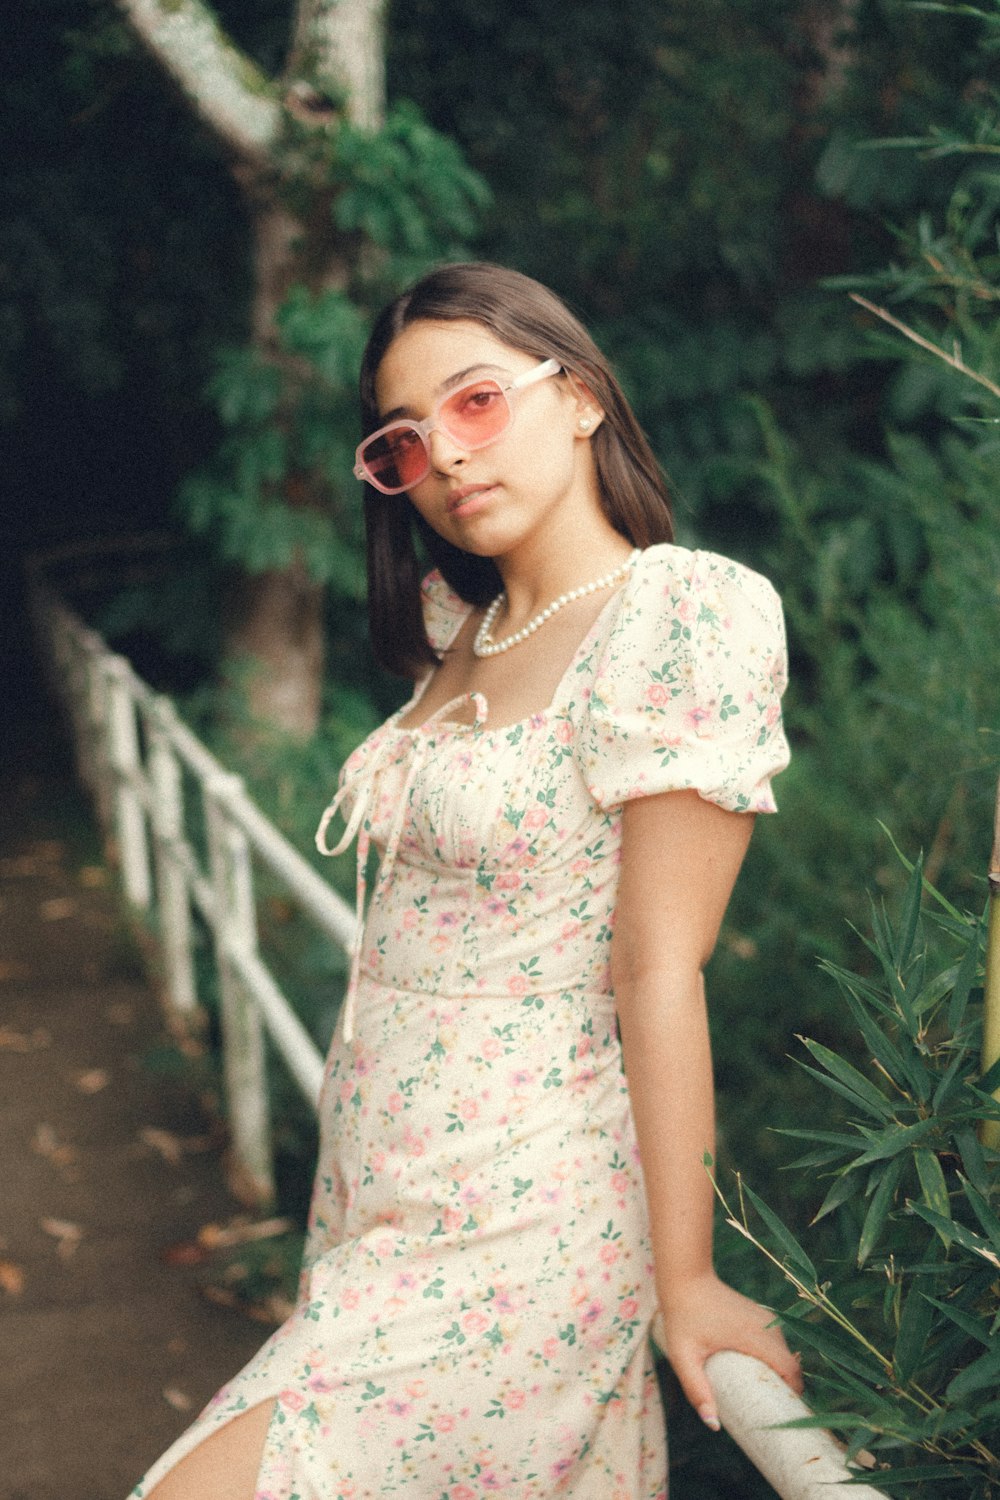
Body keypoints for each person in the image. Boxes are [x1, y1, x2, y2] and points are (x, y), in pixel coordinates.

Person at [131, 262, 801, 1500]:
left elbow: (659, 965)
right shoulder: (462, 627)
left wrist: (689, 1274)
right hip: (378, 1199)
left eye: (476, 401)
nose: (442, 453)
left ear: (582, 395)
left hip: (525, 1220)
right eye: (402, 440)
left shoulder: (680, 611)